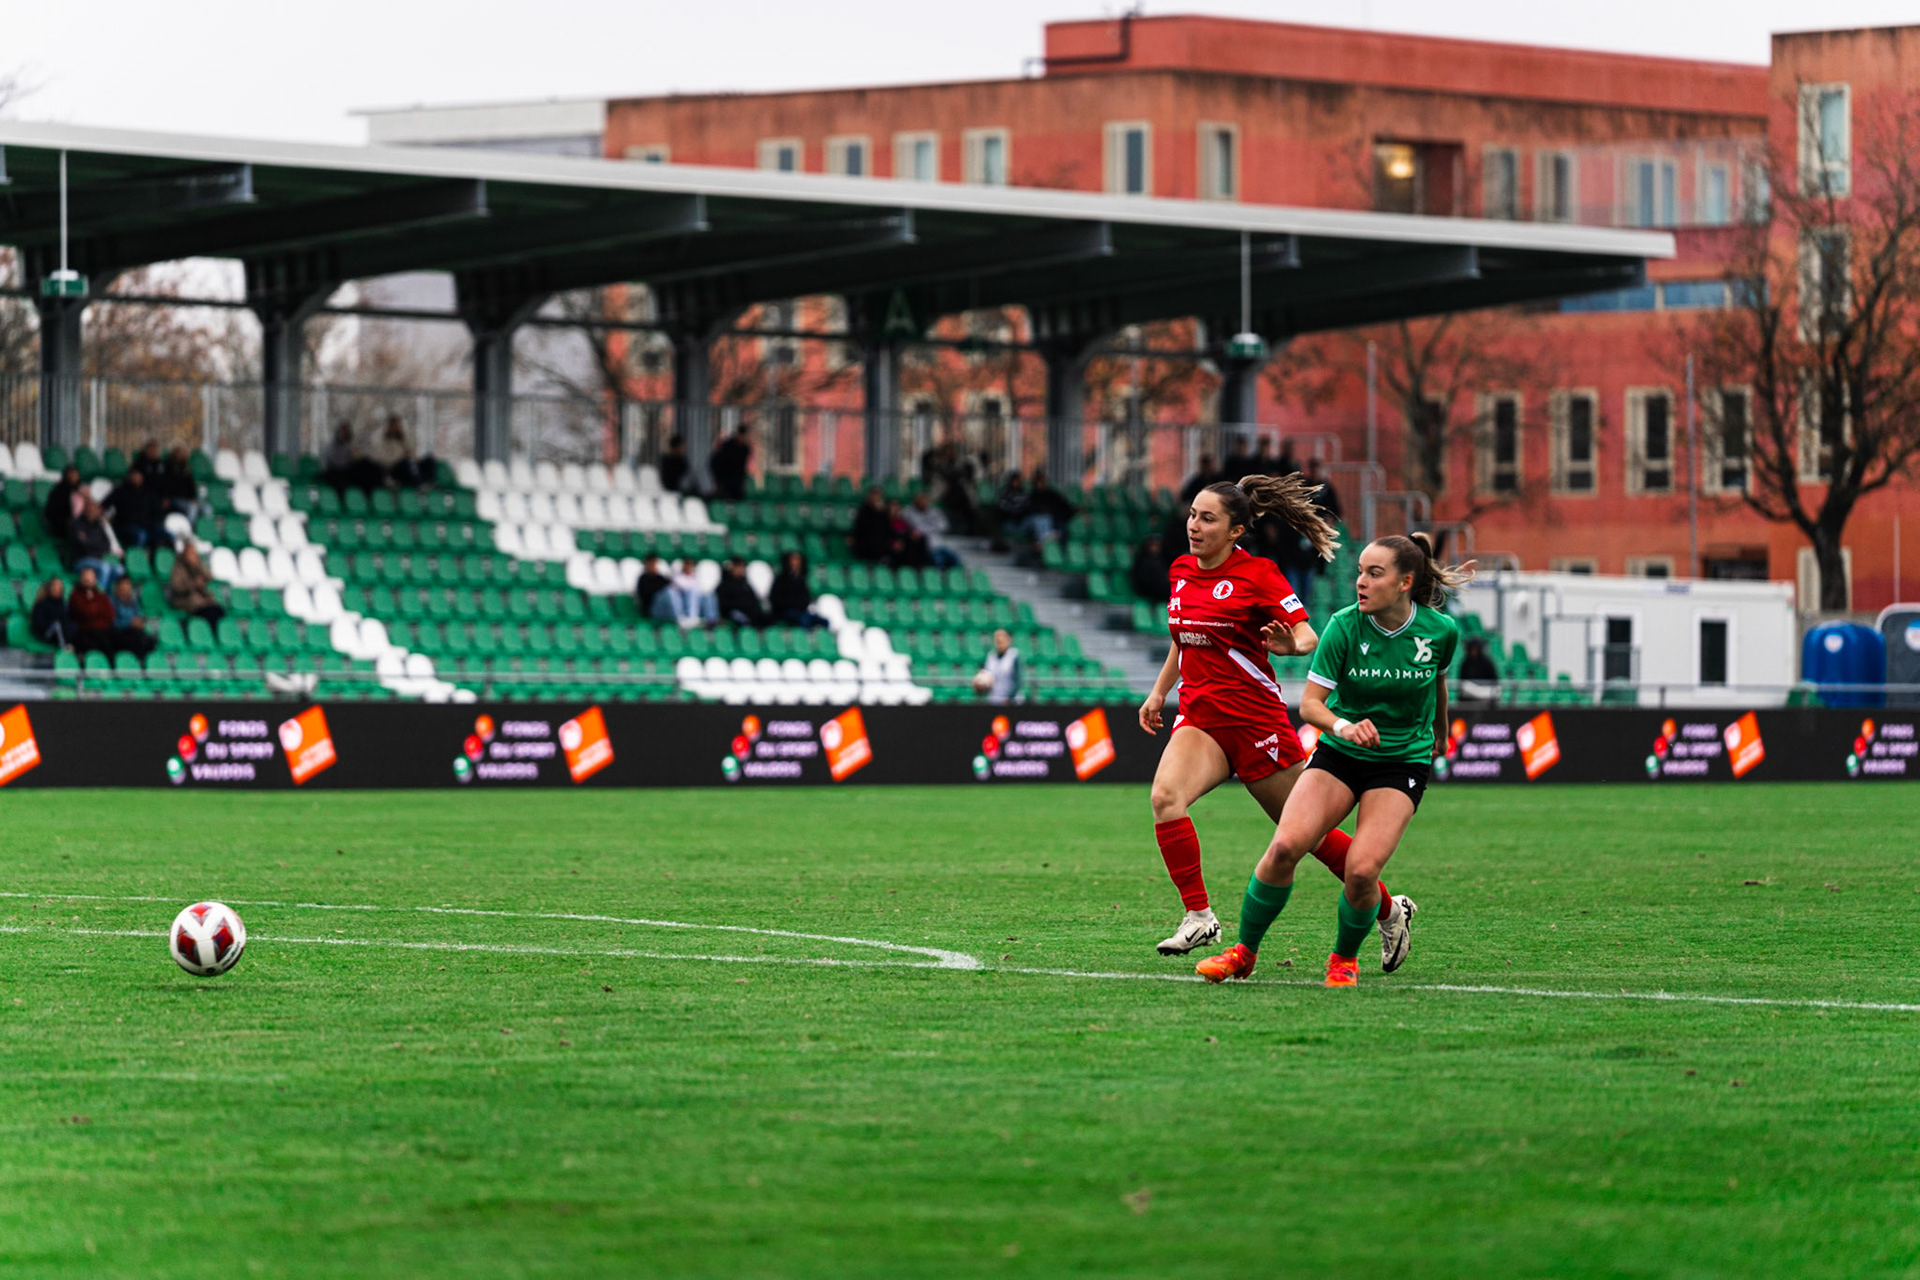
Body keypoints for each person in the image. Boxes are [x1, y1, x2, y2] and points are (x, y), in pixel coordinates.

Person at [1137, 474, 1409, 962]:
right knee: (1165, 798)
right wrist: (1160, 693)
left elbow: (1307, 635)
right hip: (1201, 718)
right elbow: (1183, 636)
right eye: (1193, 515)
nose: (1193, 525)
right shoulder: (1181, 570)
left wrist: (1290, 645)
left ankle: (1390, 911)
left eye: (1207, 518)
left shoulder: (1258, 574)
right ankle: (1199, 918)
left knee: (1309, 838)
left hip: (1256, 725)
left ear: (1236, 530)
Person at [1195, 532, 1469, 989]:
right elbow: (1311, 706)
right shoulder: (1344, 626)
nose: (1359, 581)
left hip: (1401, 762)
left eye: (1373, 574)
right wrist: (1344, 726)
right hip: (1340, 753)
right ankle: (1243, 953)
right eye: (1359, 571)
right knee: (1285, 846)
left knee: (1362, 871)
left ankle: (1343, 959)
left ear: (1405, 583)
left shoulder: (1441, 631)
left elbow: (1436, 685)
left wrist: (1440, 734)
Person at [69, 497, 123, 588]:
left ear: (98, 511)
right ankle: (100, 597)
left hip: (98, 560)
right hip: (80, 561)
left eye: (95, 509)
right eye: (90, 509)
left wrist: (90, 541)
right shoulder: (77, 524)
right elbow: (83, 546)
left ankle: (109, 598)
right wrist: (97, 543)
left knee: (119, 570)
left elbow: (107, 545)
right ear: (85, 510)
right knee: (105, 568)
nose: (92, 511)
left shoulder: (100, 525)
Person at [166, 541, 225, 623]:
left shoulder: (197, 564)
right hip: (184, 599)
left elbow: (207, 576)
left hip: (199, 598)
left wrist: (197, 566)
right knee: (207, 611)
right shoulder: (178, 568)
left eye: (194, 553)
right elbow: (177, 587)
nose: (192, 555)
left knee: (218, 610)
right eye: (190, 553)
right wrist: (194, 584)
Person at [107, 467, 164, 549]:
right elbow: (104, 505)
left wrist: (153, 523)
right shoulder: (120, 491)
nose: (136, 478)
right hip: (126, 527)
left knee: (167, 535)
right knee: (141, 535)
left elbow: (158, 512)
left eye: (138, 475)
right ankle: (136, 558)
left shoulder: (149, 493)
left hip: (147, 526)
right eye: (133, 475)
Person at [901, 491, 961, 569]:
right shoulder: (909, 512)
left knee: (956, 560)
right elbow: (905, 521)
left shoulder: (935, 512)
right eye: (919, 500)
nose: (922, 502)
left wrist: (924, 529)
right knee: (938, 561)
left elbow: (944, 526)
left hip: (939, 545)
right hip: (926, 547)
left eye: (924, 500)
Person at [652, 558, 717, 628]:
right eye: (686, 564)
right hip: (667, 610)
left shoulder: (696, 579)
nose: (688, 567)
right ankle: (685, 619)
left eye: (690, 565)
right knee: (672, 592)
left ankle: (710, 621)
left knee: (707, 595)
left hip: (687, 608)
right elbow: (680, 587)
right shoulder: (676, 577)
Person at [770, 551, 826, 628]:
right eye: (793, 560)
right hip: (785, 612)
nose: (796, 563)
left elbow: (806, 599)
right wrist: (792, 604)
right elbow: (776, 599)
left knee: (824, 621)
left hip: (801, 611)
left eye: (798, 560)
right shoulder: (780, 579)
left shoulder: (802, 580)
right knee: (804, 619)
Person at [67, 567, 116, 656]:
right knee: (101, 642)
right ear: (81, 579)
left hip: (104, 631)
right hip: (85, 632)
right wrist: (94, 607)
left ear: (95, 579)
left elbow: (110, 614)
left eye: (90, 577)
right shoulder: (75, 596)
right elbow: (85, 613)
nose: (87, 579)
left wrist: (93, 609)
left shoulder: (101, 595)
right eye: (85, 577)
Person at [1020, 471, 1076, 545]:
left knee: (1064, 527)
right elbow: (1028, 510)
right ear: (1036, 483)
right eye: (1040, 481)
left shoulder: (1052, 494)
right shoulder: (1032, 495)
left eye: (1044, 481)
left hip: (1056, 520)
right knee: (1043, 520)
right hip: (1039, 520)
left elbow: (1064, 505)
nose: (1042, 484)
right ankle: (1044, 542)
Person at [109, 577, 158, 658]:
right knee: (137, 640)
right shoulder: (112, 601)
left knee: (149, 640)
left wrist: (140, 622)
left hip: (133, 632)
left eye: (128, 584)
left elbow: (138, 615)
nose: (126, 587)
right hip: (119, 633)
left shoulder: (133, 600)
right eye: (124, 584)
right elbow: (113, 622)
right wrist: (130, 623)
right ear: (118, 587)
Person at [715, 557, 768, 628]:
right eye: (737, 567)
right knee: (742, 619)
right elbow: (723, 604)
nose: (740, 570)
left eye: (742, 567)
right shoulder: (724, 585)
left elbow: (754, 600)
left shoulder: (746, 584)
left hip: (749, 612)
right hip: (734, 612)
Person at [849, 487, 894, 563]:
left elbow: (887, 528)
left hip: (881, 545)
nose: (875, 498)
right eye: (873, 495)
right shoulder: (864, 510)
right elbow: (859, 527)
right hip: (866, 545)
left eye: (877, 496)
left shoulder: (884, 512)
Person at [977, 628, 1022, 702]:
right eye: (997, 640)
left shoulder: (1014, 655)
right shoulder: (991, 656)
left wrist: (1009, 698)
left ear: (1008, 640)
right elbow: (987, 677)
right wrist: (980, 684)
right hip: (994, 699)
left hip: (1011, 701)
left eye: (1002, 640)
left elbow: (1017, 681)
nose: (999, 642)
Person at [708, 425, 753, 501]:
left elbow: (742, 467)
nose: (743, 438)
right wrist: (719, 480)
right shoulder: (727, 446)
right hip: (725, 480)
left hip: (738, 481)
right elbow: (717, 462)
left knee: (739, 500)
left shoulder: (745, 449)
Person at [42, 465, 84, 542]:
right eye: (72, 475)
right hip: (62, 526)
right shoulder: (58, 492)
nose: (75, 477)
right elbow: (51, 513)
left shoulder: (81, 490)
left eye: (76, 475)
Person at [1457, 636, 1502, 705]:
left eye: (1475, 649)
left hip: (1485, 693)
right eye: (1472, 649)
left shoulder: (1487, 662)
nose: (1474, 652)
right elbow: (1462, 681)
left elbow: (1494, 680)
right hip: (1469, 695)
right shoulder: (1466, 663)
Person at [28, 578, 70, 649]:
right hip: (45, 633)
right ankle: (65, 648)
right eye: (55, 587)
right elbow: (38, 624)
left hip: (59, 634)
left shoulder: (63, 604)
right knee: (57, 625)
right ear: (50, 588)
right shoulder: (41, 604)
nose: (57, 589)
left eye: (59, 587)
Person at [1130, 534, 1168, 601]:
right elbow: (1141, 578)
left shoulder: (1162, 559)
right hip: (1147, 589)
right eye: (1153, 545)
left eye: (1157, 545)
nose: (1155, 548)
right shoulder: (1141, 559)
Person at [635, 554, 671, 618]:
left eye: (655, 564)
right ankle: (678, 618)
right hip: (651, 609)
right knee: (669, 593)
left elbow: (669, 585)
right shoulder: (643, 578)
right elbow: (646, 596)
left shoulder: (660, 577)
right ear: (647, 565)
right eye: (651, 564)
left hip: (664, 608)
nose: (654, 566)